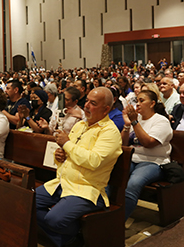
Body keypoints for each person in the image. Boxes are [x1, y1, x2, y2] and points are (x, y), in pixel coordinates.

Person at [36, 87, 122, 247]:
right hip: (62, 182)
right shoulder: (81, 125)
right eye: (87, 101)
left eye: (93, 103)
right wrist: (59, 156)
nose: (87, 106)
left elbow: (93, 161)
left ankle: (73, 237)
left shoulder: (110, 133)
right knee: (26, 203)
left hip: (86, 188)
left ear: (106, 109)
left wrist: (66, 144)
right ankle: (69, 240)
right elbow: (70, 154)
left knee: (53, 219)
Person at [122, 90, 172, 220]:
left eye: (141, 100)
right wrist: (127, 125)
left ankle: (118, 223)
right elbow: (123, 144)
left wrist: (134, 122)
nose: (137, 104)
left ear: (152, 103)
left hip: (154, 162)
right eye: (136, 101)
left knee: (133, 184)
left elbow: (148, 143)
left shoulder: (161, 121)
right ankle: (104, 216)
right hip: (133, 158)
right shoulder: (136, 119)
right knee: (112, 177)